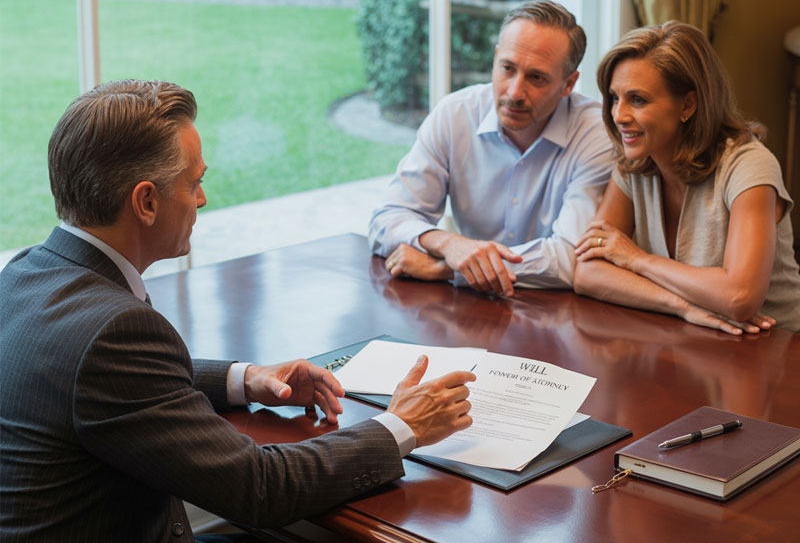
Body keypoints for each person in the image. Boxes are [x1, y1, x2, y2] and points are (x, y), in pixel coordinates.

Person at [0, 80, 476, 542]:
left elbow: (124, 387)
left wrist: (246, 379)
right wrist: (403, 426)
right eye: (195, 182)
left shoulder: (24, 274)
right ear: (145, 201)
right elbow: (261, 489)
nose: (203, 199)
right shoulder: (116, 334)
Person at [368, 0, 615, 297]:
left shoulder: (597, 135)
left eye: (536, 77)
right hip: (473, 314)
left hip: (561, 316)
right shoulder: (455, 114)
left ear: (568, 84)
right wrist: (448, 244)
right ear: (496, 58)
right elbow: (388, 219)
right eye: (507, 68)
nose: (514, 92)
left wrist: (449, 269)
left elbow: (572, 256)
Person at [573, 21, 800, 334]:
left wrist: (637, 260)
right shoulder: (636, 164)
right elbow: (587, 273)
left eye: (637, 99)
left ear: (688, 105)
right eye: (614, 98)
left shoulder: (749, 165)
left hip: (774, 350)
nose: (618, 115)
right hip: (690, 338)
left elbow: (739, 297)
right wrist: (681, 306)